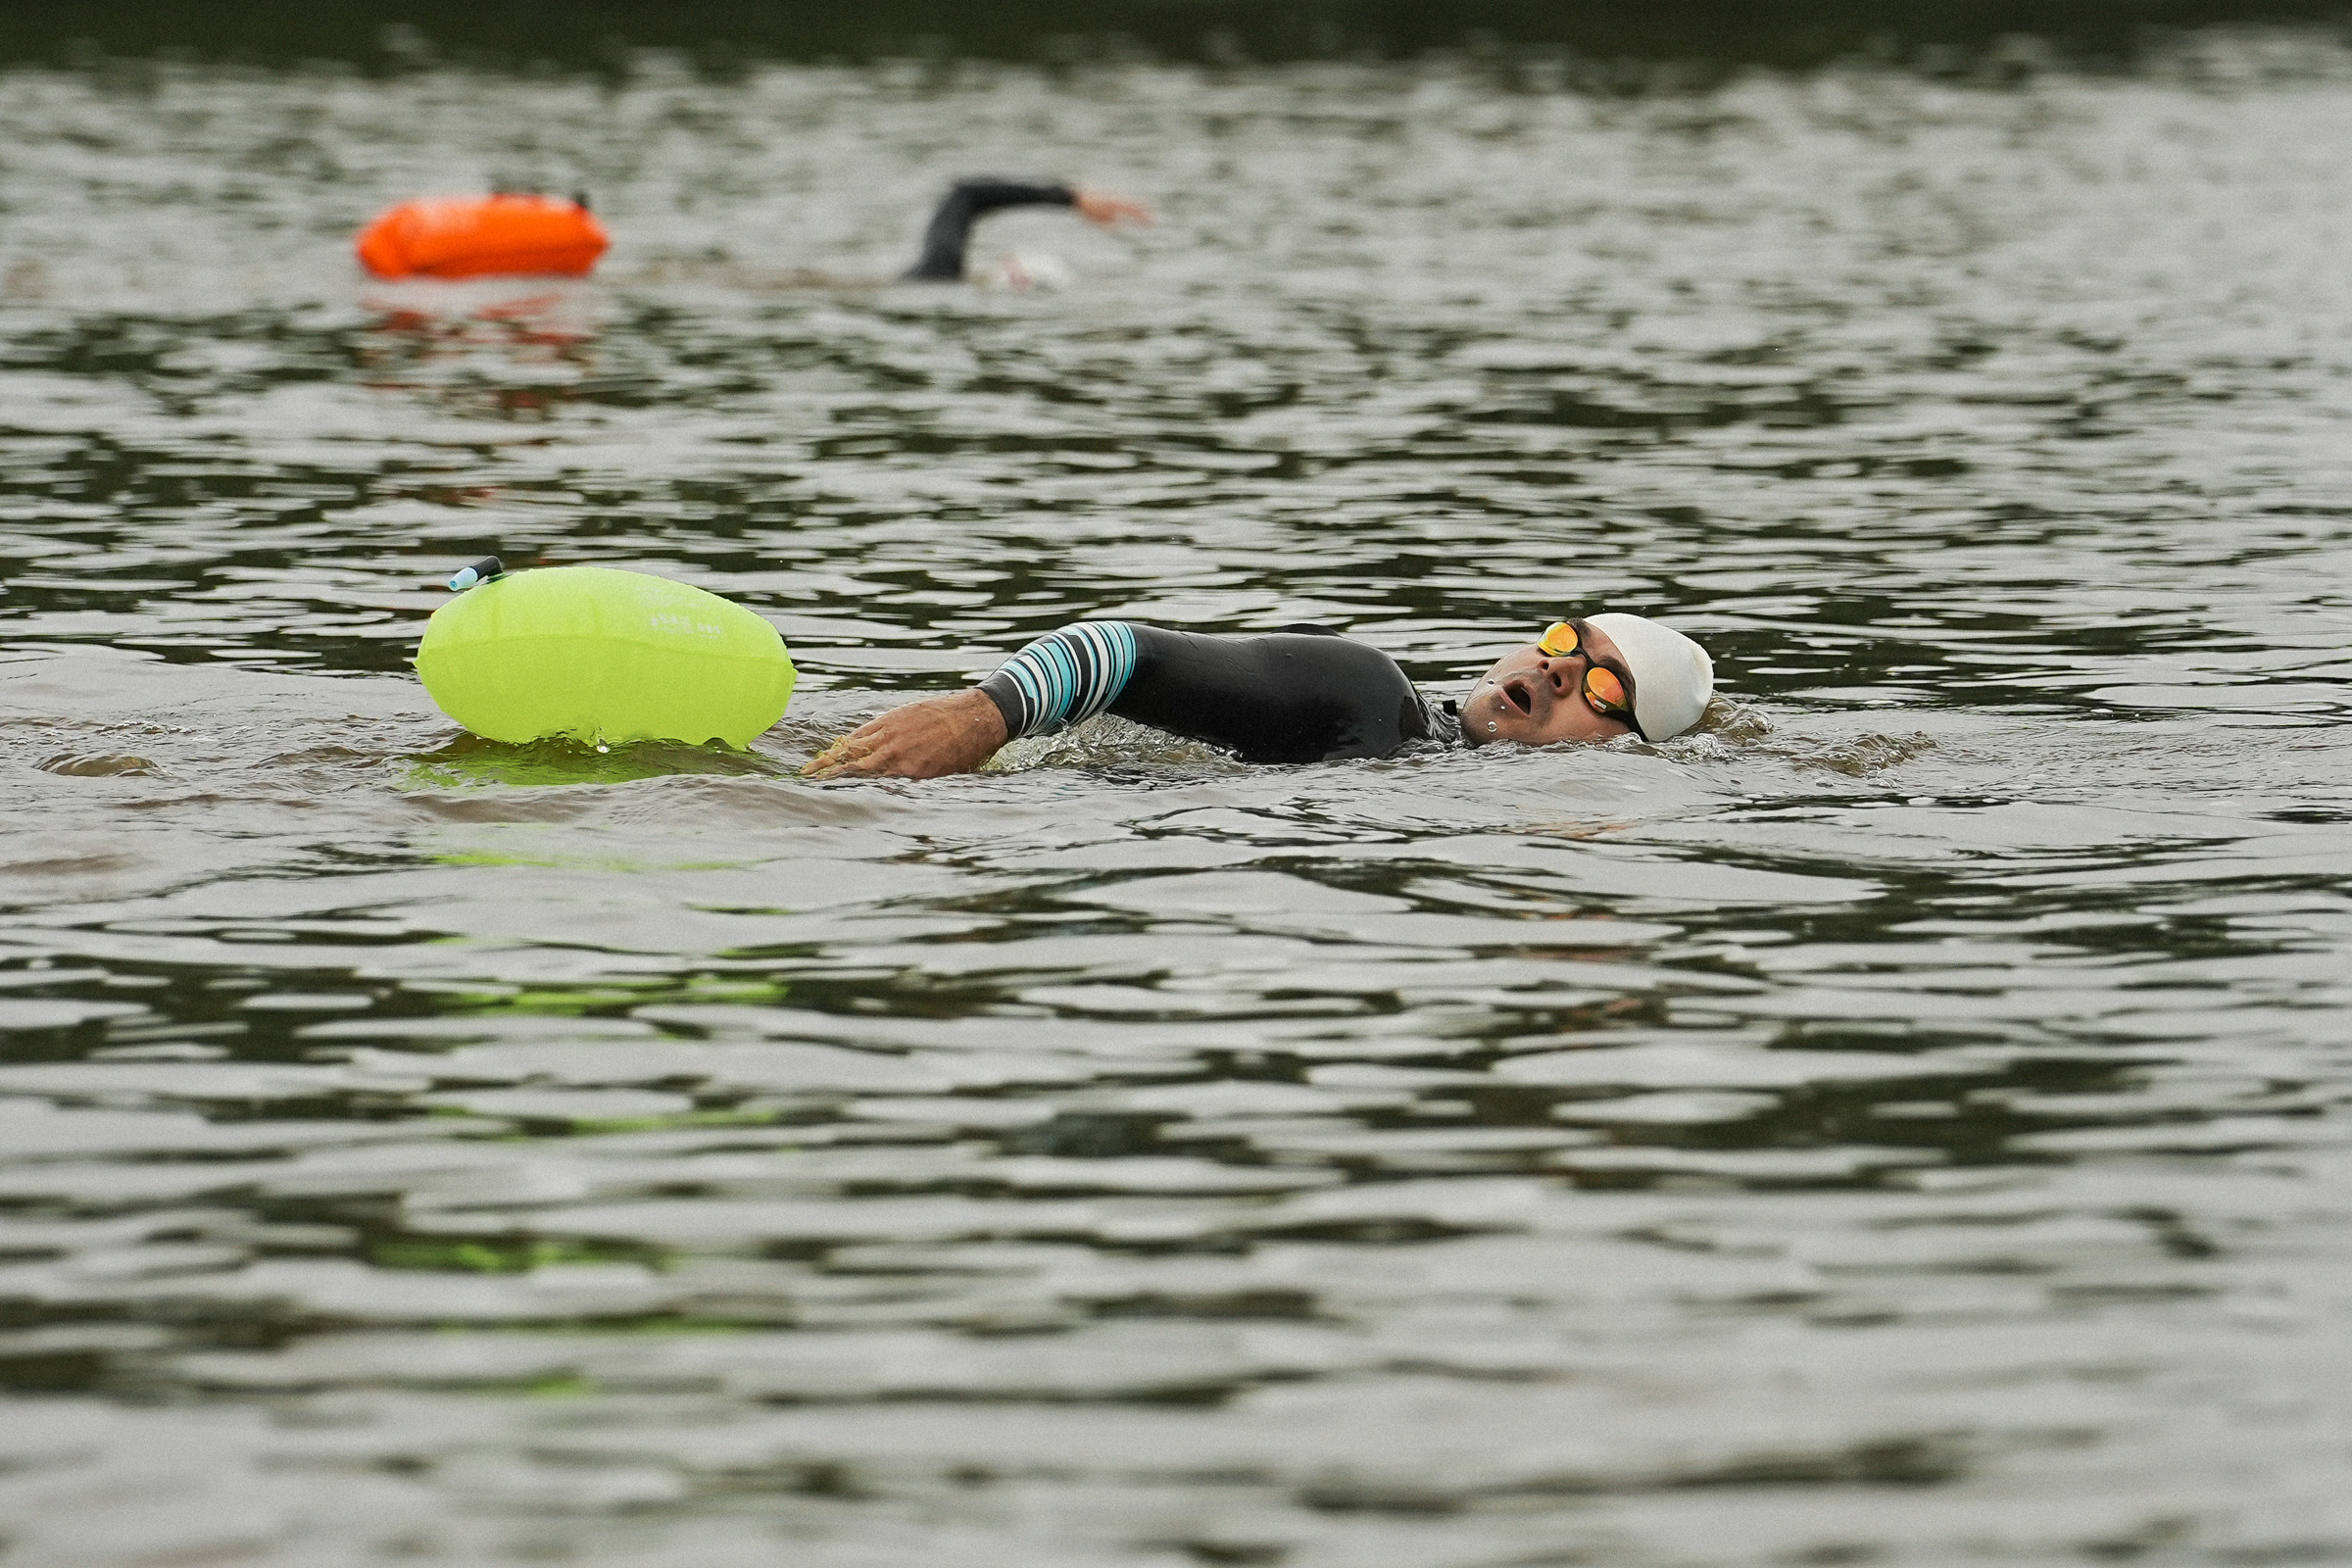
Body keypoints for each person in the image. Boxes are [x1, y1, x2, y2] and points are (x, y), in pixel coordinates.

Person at [801, 613, 1713, 780]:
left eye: (1604, 685)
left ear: (1625, 750)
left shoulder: (1414, 760)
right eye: (1562, 641)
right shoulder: (1369, 697)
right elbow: (1117, 650)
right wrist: (978, 715)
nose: (1559, 669)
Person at [904, 178, 1153, 282]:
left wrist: (1073, 199)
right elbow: (965, 195)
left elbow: (966, 196)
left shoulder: (937, 270)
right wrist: (1072, 199)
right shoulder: (938, 272)